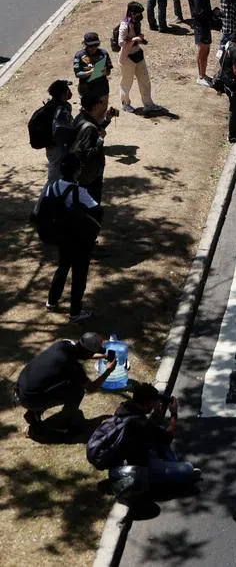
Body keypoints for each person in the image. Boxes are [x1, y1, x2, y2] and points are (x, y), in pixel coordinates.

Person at [102, 384, 200, 500]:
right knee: (188, 469)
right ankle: (163, 479)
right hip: (137, 468)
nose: (156, 404)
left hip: (122, 461)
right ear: (149, 402)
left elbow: (153, 432)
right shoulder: (140, 423)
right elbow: (167, 437)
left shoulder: (124, 410)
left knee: (160, 438)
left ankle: (170, 468)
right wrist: (174, 415)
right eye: (154, 401)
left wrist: (155, 416)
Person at [15, 332, 119, 436]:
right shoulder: (73, 366)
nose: (93, 355)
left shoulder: (64, 344)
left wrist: (103, 356)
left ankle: (33, 414)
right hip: (30, 399)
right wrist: (108, 371)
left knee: (54, 381)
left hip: (21, 387)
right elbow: (91, 388)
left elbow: (83, 353)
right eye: (92, 353)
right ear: (88, 353)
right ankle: (63, 425)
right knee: (77, 391)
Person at [43, 151, 102, 321]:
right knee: (79, 274)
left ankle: (52, 301)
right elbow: (96, 209)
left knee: (62, 267)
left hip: (61, 236)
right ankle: (75, 312)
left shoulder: (52, 187)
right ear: (77, 171)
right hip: (80, 239)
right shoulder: (79, 191)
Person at [118, 0, 159, 114]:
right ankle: (125, 104)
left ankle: (149, 104)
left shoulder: (136, 23)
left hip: (138, 54)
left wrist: (140, 39)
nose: (140, 15)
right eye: (137, 13)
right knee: (126, 83)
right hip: (127, 58)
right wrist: (135, 39)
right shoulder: (124, 25)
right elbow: (121, 43)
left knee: (145, 80)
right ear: (132, 12)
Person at [190, 0, 216, 86]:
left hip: (203, 26)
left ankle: (203, 74)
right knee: (203, 52)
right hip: (202, 26)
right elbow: (200, 13)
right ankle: (201, 76)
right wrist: (212, 14)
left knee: (204, 51)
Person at [73, 30, 112, 102]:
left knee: (102, 110)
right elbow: (77, 74)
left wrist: (105, 71)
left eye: (96, 45)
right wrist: (90, 72)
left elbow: (109, 72)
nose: (93, 48)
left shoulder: (104, 54)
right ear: (86, 45)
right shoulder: (79, 55)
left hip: (102, 89)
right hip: (86, 90)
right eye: (90, 46)